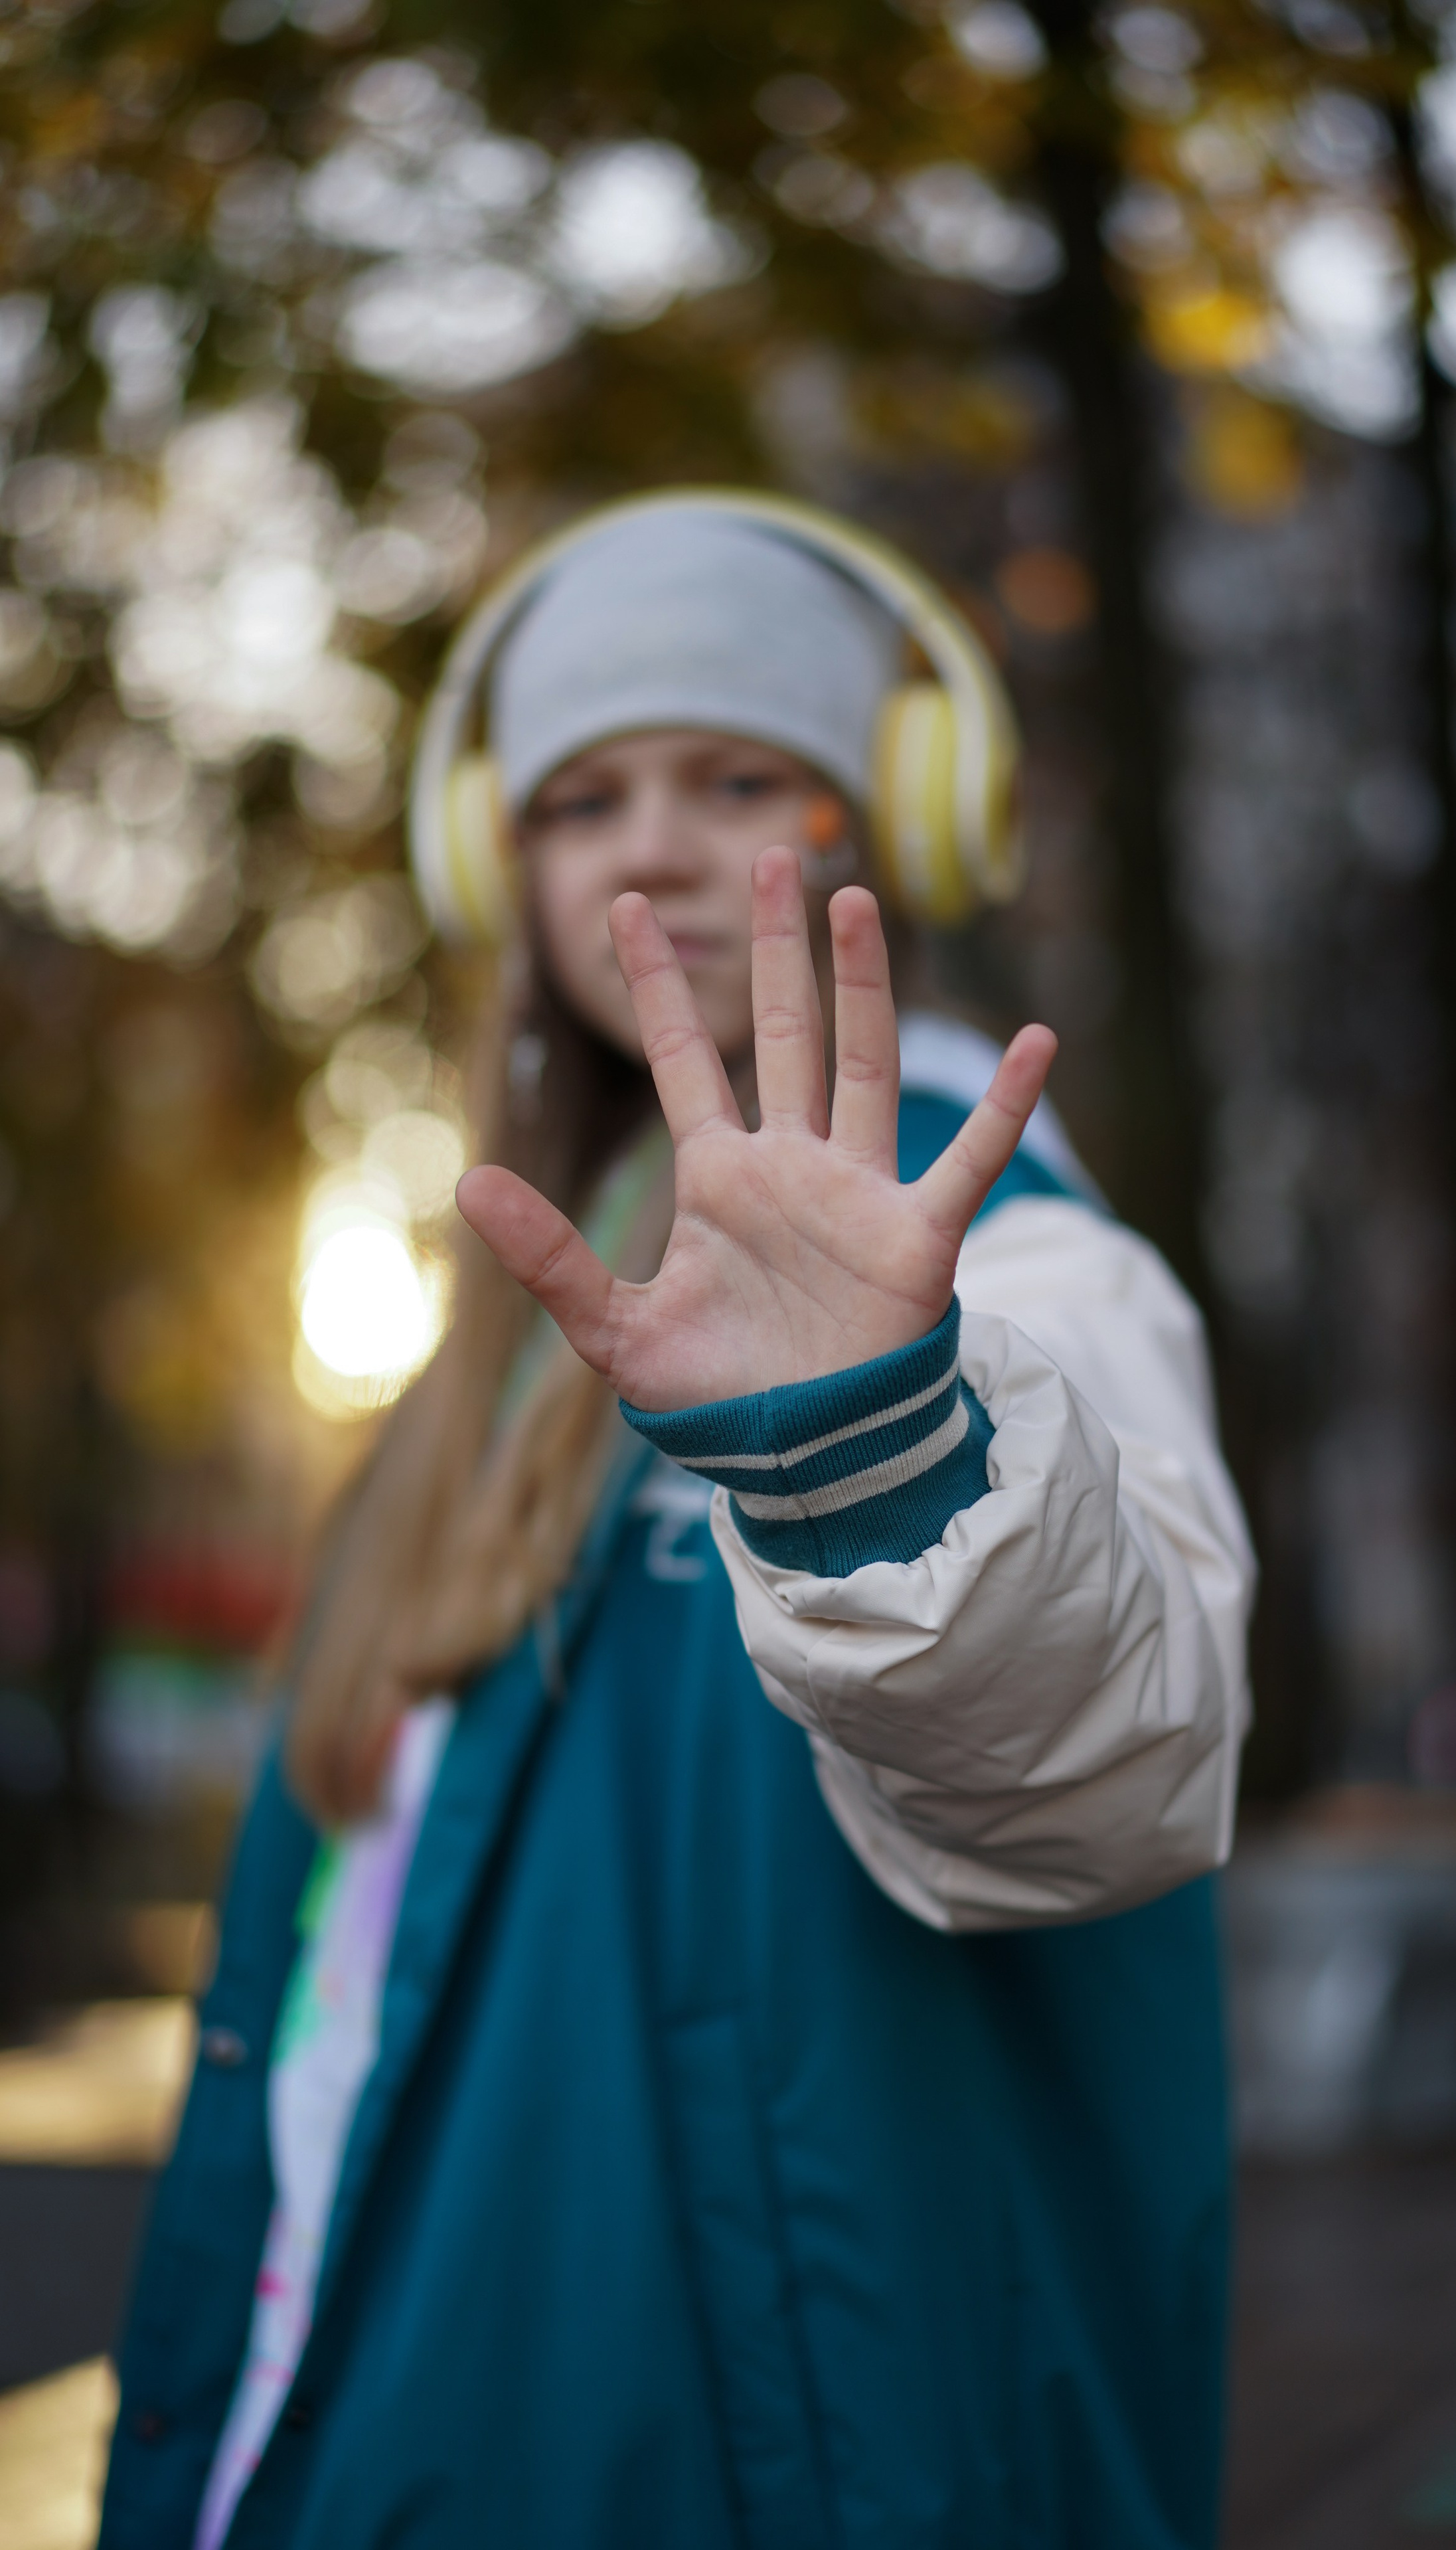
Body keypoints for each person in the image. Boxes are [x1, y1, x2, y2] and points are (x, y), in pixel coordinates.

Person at [100, 492, 1255, 2550]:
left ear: (897, 811)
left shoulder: (1020, 1275)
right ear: (498, 860)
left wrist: (871, 1440)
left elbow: (1108, 1783)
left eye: (740, 776)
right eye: (580, 798)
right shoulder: (463, 1393)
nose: (648, 841)